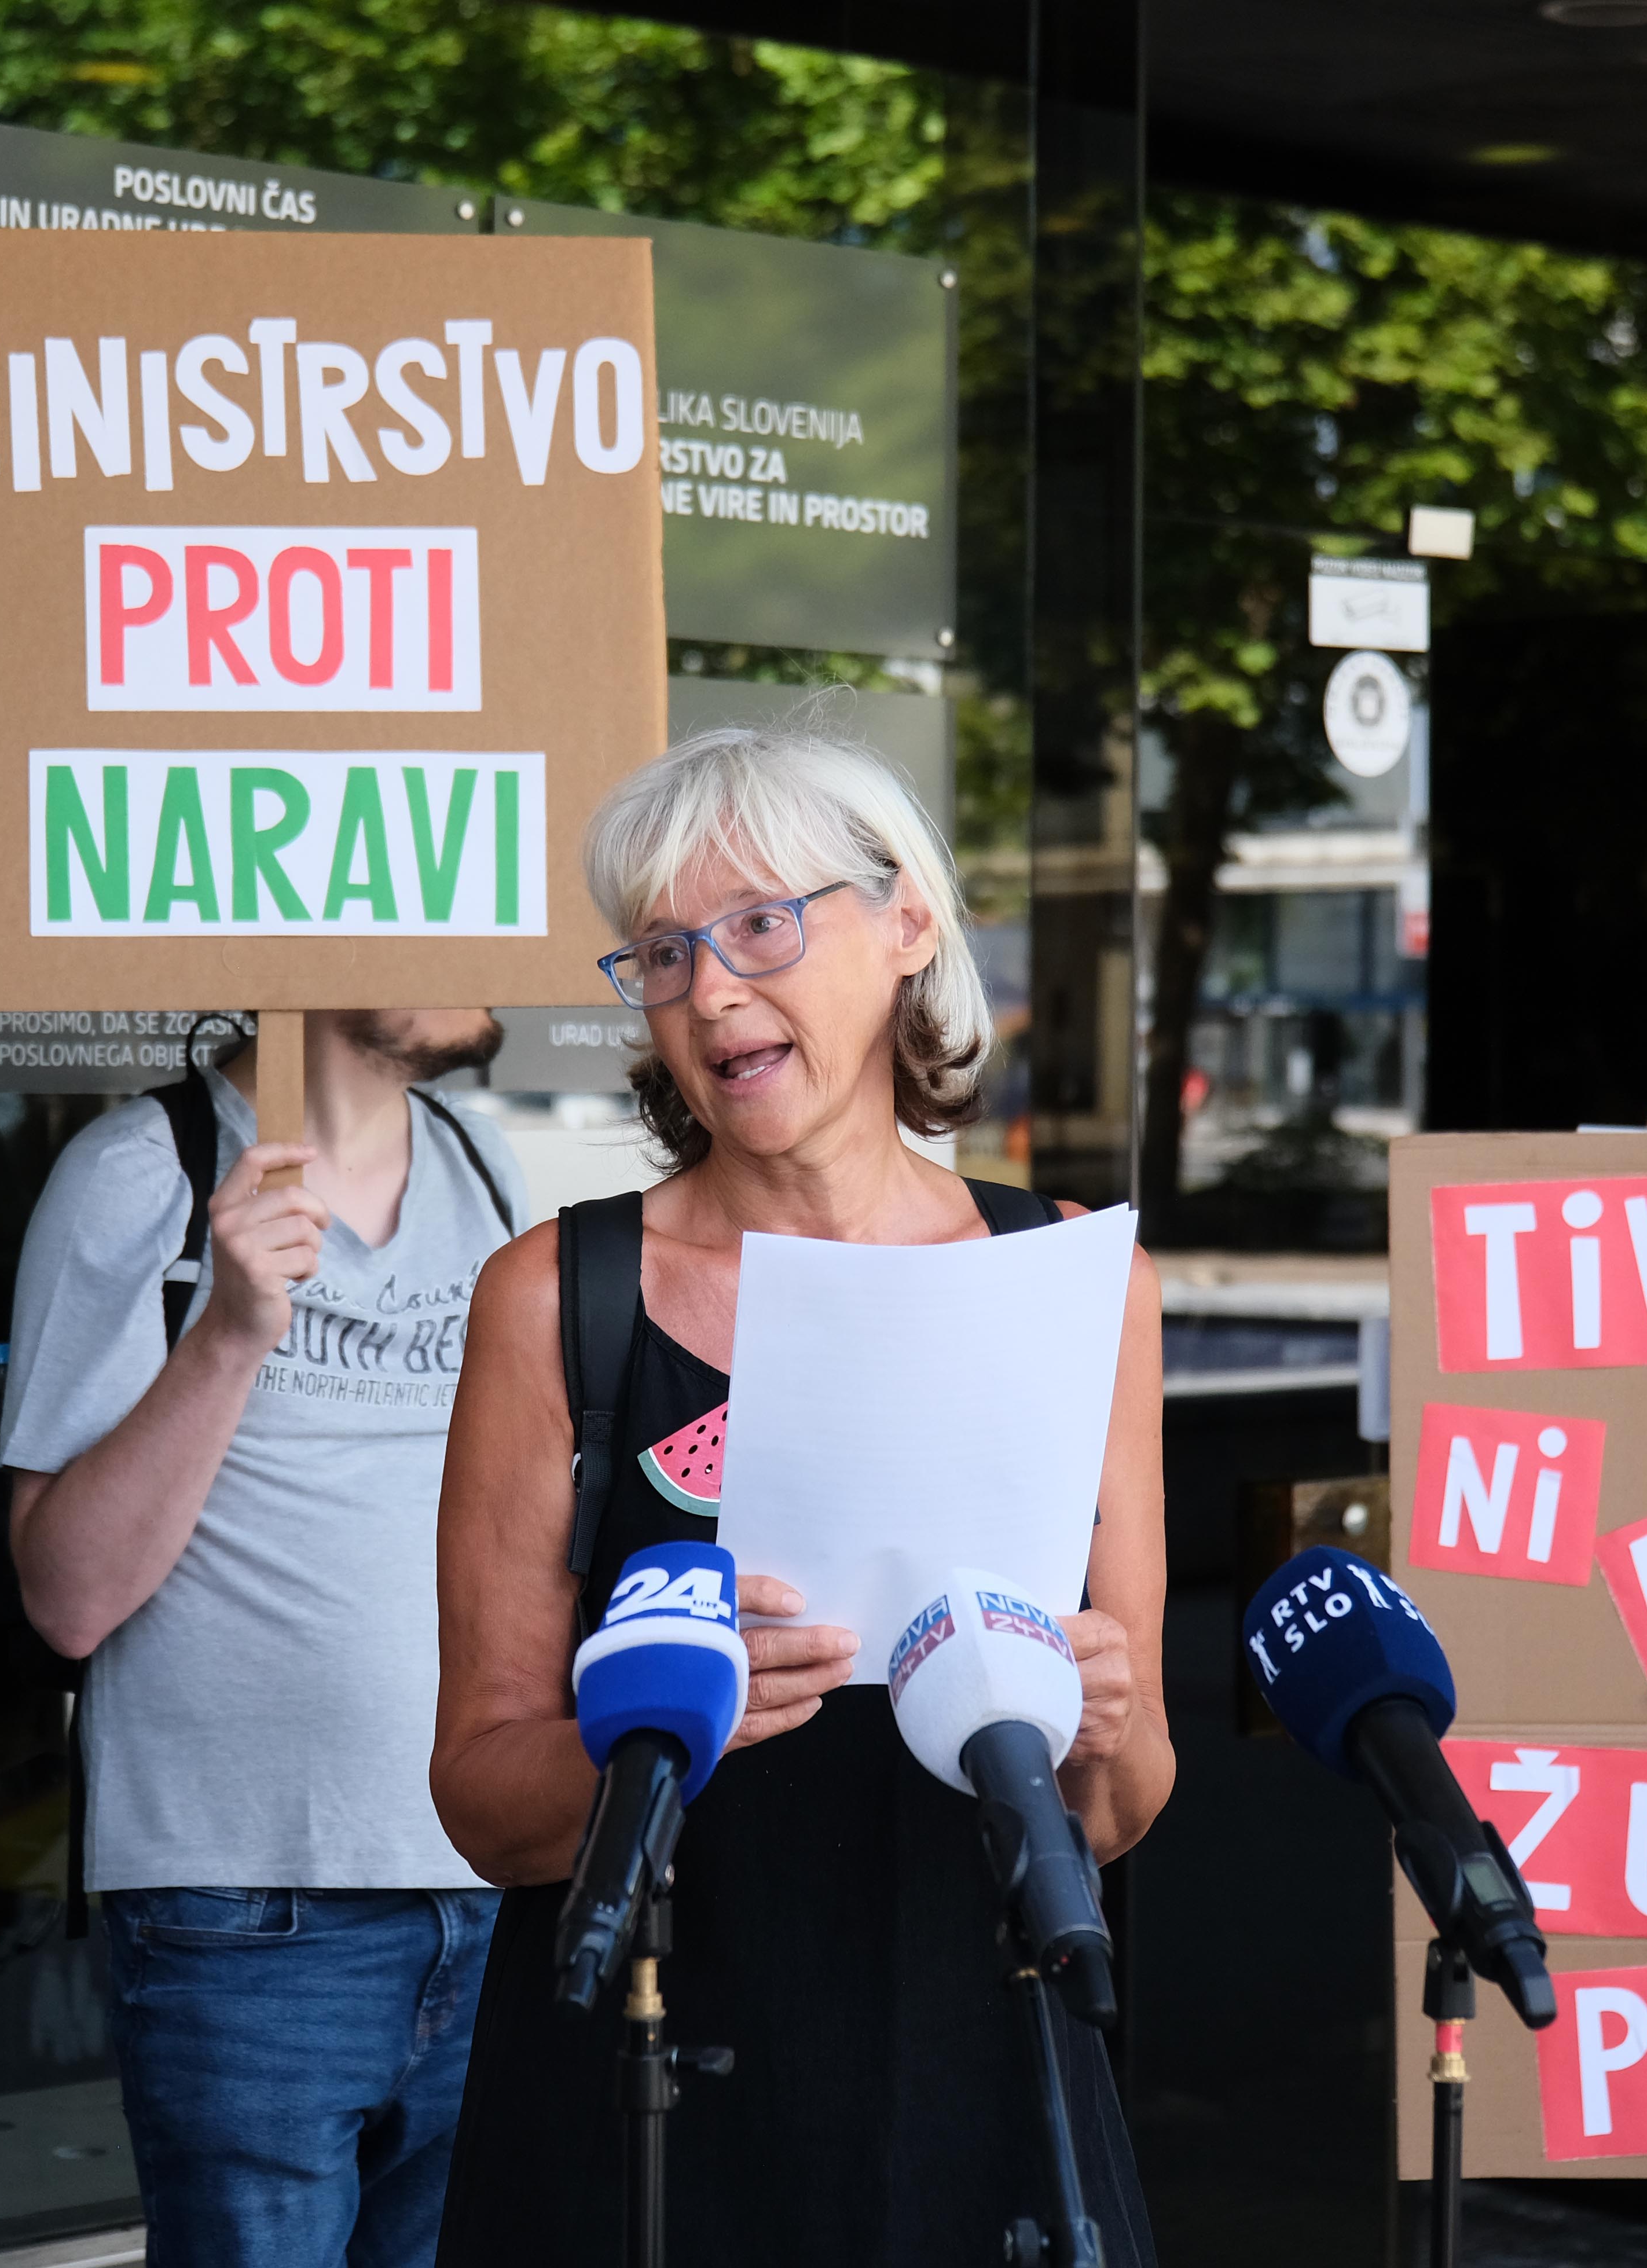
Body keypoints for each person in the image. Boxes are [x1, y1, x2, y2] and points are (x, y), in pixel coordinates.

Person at [427, 723, 1175, 2266]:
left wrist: (1099, 1717)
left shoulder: (1075, 1285)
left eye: (762, 922)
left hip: (979, 2085)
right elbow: (484, 1801)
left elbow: (1114, 1809)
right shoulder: (562, 1298)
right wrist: (658, 1733)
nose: (709, 987)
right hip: (648, 2090)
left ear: (906, 925)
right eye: (660, 950)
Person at [1, 1005, 522, 2267]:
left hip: (483, 1895)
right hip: (249, 1920)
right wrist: (230, 1329)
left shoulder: (477, 1156)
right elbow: (64, 1595)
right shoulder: (146, 1171)